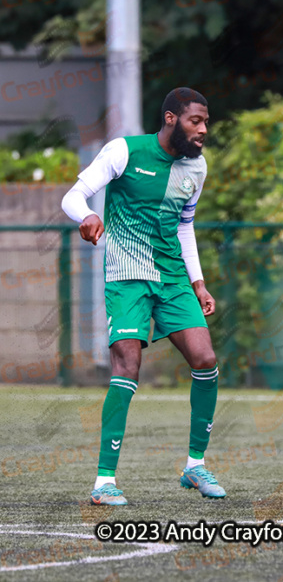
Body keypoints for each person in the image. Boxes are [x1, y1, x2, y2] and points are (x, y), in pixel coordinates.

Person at [61, 88, 225, 504]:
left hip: (172, 278)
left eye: (206, 121)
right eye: (195, 121)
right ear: (171, 118)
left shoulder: (197, 168)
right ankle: (103, 483)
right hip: (128, 277)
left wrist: (198, 282)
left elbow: (184, 225)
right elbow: (72, 197)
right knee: (127, 364)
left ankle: (195, 467)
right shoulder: (124, 151)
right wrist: (89, 214)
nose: (203, 129)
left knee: (205, 361)